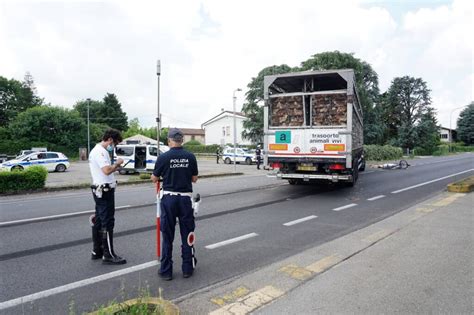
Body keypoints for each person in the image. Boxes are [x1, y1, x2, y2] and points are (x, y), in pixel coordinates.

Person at [151, 128, 199, 281]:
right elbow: (194, 178)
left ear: (169, 141)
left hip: (169, 199)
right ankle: (187, 268)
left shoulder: (163, 157)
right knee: (187, 234)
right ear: (182, 140)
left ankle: (166, 270)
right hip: (185, 199)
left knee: (167, 235)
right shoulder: (190, 157)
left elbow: (154, 178)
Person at [89, 129, 126, 265]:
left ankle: (97, 251)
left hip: (101, 190)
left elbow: (105, 170)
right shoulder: (100, 152)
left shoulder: (99, 151)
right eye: (115, 143)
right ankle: (108, 255)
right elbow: (106, 170)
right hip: (104, 191)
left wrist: (115, 166)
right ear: (110, 139)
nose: (114, 146)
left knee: (99, 220)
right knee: (107, 222)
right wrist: (117, 163)